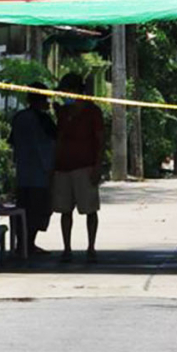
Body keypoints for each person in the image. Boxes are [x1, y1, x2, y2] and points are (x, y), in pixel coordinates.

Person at [52, 73, 105, 263]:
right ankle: (67, 248)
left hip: (85, 166)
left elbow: (99, 140)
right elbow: (59, 138)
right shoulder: (64, 112)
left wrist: (97, 165)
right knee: (65, 210)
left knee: (90, 209)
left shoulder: (93, 111)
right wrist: (54, 165)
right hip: (63, 166)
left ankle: (91, 247)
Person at [8, 83, 57, 254]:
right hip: (41, 174)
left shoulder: (19, 117)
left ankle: (23, 243)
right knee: (38, 211)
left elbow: (12, 142)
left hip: (23, 173)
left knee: (23, 209)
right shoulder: (44, 120)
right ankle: (28, 243)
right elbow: (54, 141)